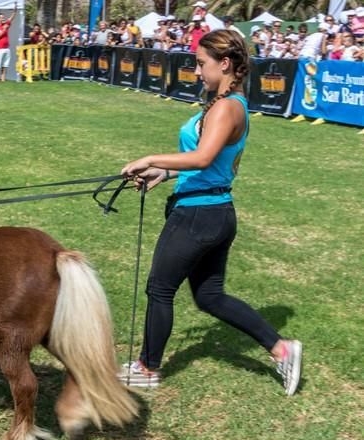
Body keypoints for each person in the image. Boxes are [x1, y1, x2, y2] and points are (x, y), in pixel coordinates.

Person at [118, 29, 302, 396]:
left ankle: (147, 368)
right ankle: (282, 349)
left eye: (202, 64)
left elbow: (202, 158)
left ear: (225, 63)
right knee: (209, 297)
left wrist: (150, 158)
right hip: (215, 213)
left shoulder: (227, 108)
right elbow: (210, 166)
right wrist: (163, 173)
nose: (197, 70)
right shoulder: (226, 105)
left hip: (198, 216)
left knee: (159, 288)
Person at [0, 6, 17, 82]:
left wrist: (14, 12)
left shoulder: (5, 24)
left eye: (3, 17)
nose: (3, 19)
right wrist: (4, 29)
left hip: (6, 48)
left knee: (5, 65)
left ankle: (3, 78)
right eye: (2, 18)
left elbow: (11, 18)